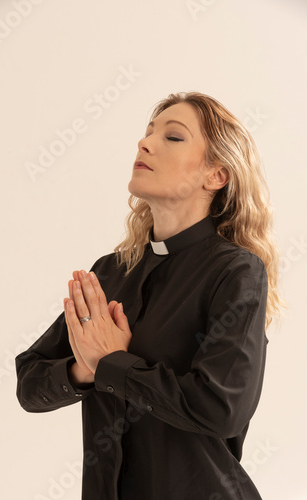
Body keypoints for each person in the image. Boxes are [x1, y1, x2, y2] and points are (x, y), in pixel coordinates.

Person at [15, 91, 283, 500]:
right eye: (147, 133)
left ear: (216, 175)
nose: (145, 143)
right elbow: (30, 385)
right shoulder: (109, 271)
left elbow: (220, 409)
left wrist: (113, 363)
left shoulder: (236, 272)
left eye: (173, 137)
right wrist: (85, 371)